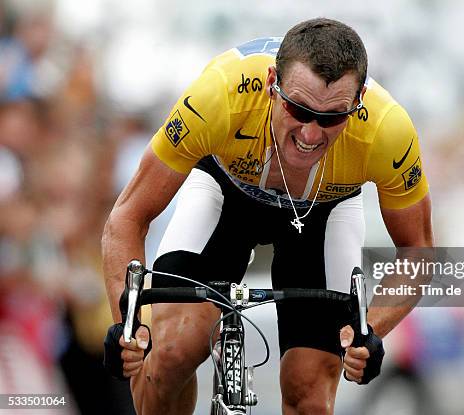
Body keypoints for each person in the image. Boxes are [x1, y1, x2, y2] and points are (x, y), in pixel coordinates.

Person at [102, 18, 433, 415]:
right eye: (298, 110)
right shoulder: (219, 96)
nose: (311, 134)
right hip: (226, 191)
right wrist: (128, 323)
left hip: (323, 210)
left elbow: (418, 251)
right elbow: (127, 217)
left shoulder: (387, 130)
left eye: (331, 119)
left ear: (359, 99)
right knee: (171, 352)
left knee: (309, 392)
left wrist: (369, 330)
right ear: (272, 83)